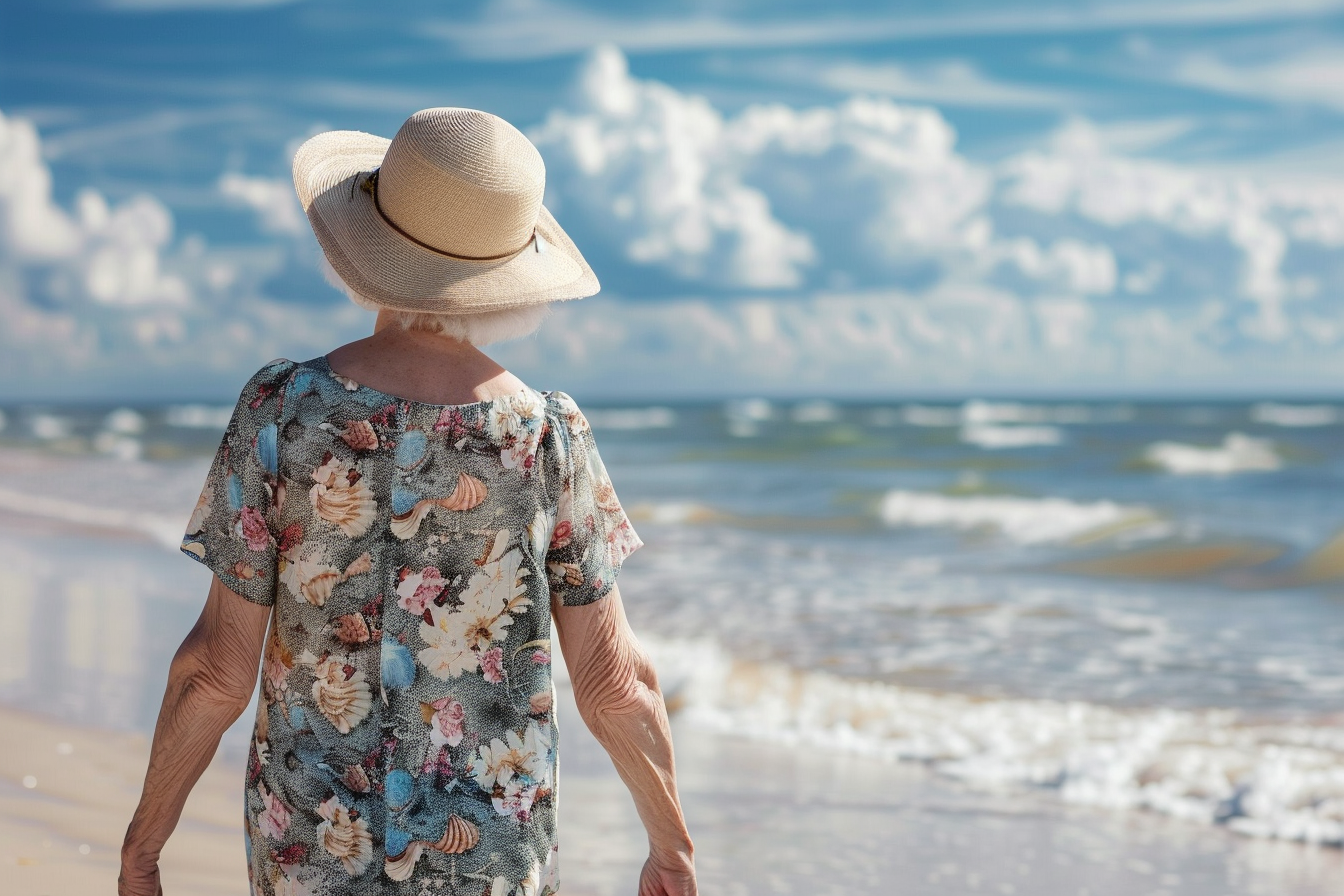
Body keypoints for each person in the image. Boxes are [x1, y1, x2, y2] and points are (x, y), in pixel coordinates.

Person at [118, 108, 697, 896]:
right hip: (488, 864)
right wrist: (671, 847)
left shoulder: (282, 410)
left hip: (313, 859)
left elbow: (215, 671)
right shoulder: (548, 436)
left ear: (366, 243)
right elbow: (614, 682)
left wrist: (144, 846)